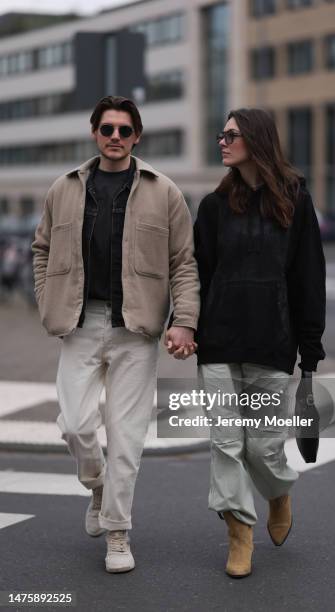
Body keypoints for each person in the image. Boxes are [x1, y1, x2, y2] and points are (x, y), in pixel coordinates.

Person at [32, 95, 199, 574]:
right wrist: (47, 299)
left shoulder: (163, 191)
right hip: (79, 325)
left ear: (137, 137)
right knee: (75, 425)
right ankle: (97, 483)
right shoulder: (64, 188)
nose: (116, 138)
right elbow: (41, 249)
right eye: (107, 129)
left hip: (137, 331)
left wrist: (184, 319)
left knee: (127, 439)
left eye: (125, 130)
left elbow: (183, 263)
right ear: (94, 133)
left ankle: (118, 532)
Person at [192, 107, 326, 578]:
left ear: (255, 139)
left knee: (262, 449)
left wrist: (310, 348)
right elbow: (197, 276)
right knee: (226, 444)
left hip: (272, 343)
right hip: (217, 344)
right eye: (221, 134)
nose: (222, 141)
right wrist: (184, 325)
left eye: (230, 134)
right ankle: (239, 532)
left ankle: (278, 491)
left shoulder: (294, 200)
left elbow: (309, 277)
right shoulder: (212, 207)